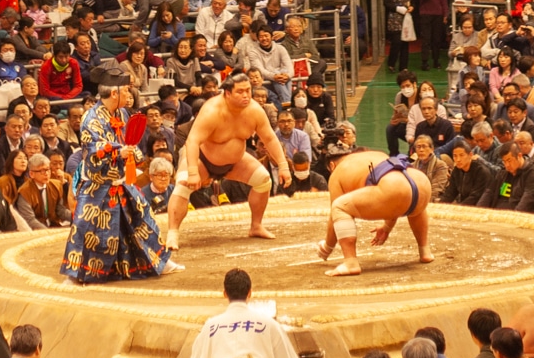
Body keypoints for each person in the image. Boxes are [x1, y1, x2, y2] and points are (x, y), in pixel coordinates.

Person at [61, 63, 172, 282]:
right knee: (85, 228)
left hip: (122, 180)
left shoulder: (122, 112)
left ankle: (160, 261)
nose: (130, 94)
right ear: (114, 93)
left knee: (142, 217)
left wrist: (131, 154)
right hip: (98, 184)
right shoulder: (90, 119)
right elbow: (92, 148)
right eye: (126, 90)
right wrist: (118, 151)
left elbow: (130, 138)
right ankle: (75, 274)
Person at [165, 78, 291, 252]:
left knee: (264, 181)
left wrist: (283, 165)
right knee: (183, 186)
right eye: (240, 91)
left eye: (248, 90)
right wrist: (193, 172)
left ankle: (256, 225)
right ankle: (173, 233)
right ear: (228, 93)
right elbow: (192, 141)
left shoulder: (255, 111)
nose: (246, 95)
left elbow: (269, 138)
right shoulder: (212, 110)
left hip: (235, 162)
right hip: (202, 159)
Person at [318, 149, 433, 275]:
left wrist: (327, 247)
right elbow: (398, 196)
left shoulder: (337, 172)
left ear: (331, 165)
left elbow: (335, 216)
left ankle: (350, 263)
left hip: (393, 188)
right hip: (421, 184)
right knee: (412, 202)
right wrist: (387, 227)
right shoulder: (377, 155)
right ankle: (425, 251)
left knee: (339, 206)